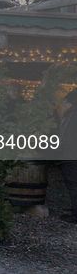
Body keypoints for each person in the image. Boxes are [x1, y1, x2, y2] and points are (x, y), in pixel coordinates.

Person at [58, 89, 77, 223]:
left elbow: (65, 137)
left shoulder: (71, 116)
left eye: (66, 102)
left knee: (72, 183)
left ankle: (75, 213)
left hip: (71, 155)